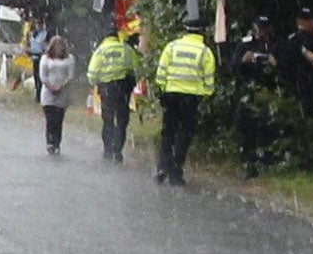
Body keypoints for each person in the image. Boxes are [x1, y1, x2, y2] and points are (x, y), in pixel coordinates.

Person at [152, 18, 217, 187]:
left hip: (171, 95)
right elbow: (209, 81)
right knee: (184, 134)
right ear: (202, 32)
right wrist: (205, 93)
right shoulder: (205, 52)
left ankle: (162, 167)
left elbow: (161, 73)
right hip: (191, 99)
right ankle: (175, 171)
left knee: (168, 133)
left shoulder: (172, 47)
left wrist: (164, 89)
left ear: (186, 30)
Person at [229, 15, 281, 177]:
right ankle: (248, 161)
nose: (262, 30)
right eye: (259, 27)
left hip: (268, 89)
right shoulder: (245, 44)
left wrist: (274, 62)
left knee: (268, 126)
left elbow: (284, 66)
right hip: (248, 89)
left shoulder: (273, 44)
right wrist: (243, 61)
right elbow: (232, 66)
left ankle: (267, 160)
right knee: (246, 126)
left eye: (265, 27)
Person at [86, 24, 143, 162]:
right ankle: (118, 151)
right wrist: (132, 82)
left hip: (106, 89)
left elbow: (92, 73)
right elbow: (137, 68)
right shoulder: (126, 49)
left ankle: (107, 150)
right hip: (123, 87)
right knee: (122, 120)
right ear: (117, 36)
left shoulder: (100, 51)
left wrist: (96, 83)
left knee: (108, 120)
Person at [282, 7, 313, 119]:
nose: (309, 22)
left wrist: (306, 53)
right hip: (296, 85)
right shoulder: (291, 40)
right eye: (304, 19)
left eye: (309, 19)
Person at [37, 33, 75, 155]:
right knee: (50, 119)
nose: (59, 49)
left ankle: (57, 143)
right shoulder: (45, 59)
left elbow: (70, 76)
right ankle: (50, 142)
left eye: (61, 46)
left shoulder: (69, 59)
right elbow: (43, 75)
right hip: (48, 93)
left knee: (58, 119)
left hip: (63, 93)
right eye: (56, 47)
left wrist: (61, 87)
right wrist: (50, 87)